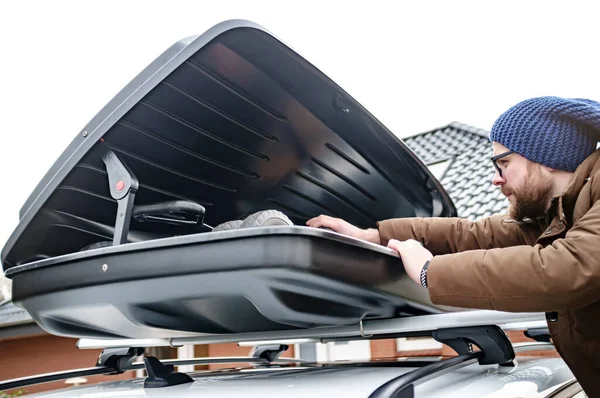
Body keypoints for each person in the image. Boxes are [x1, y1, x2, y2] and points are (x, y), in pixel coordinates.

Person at [307, 96, 600, 396]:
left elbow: (566, 268)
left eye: (503, 163)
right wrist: (375, 235)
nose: (494, 179)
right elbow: (473, 234)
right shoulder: (559, 214)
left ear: (545, 155)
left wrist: (428, 271)